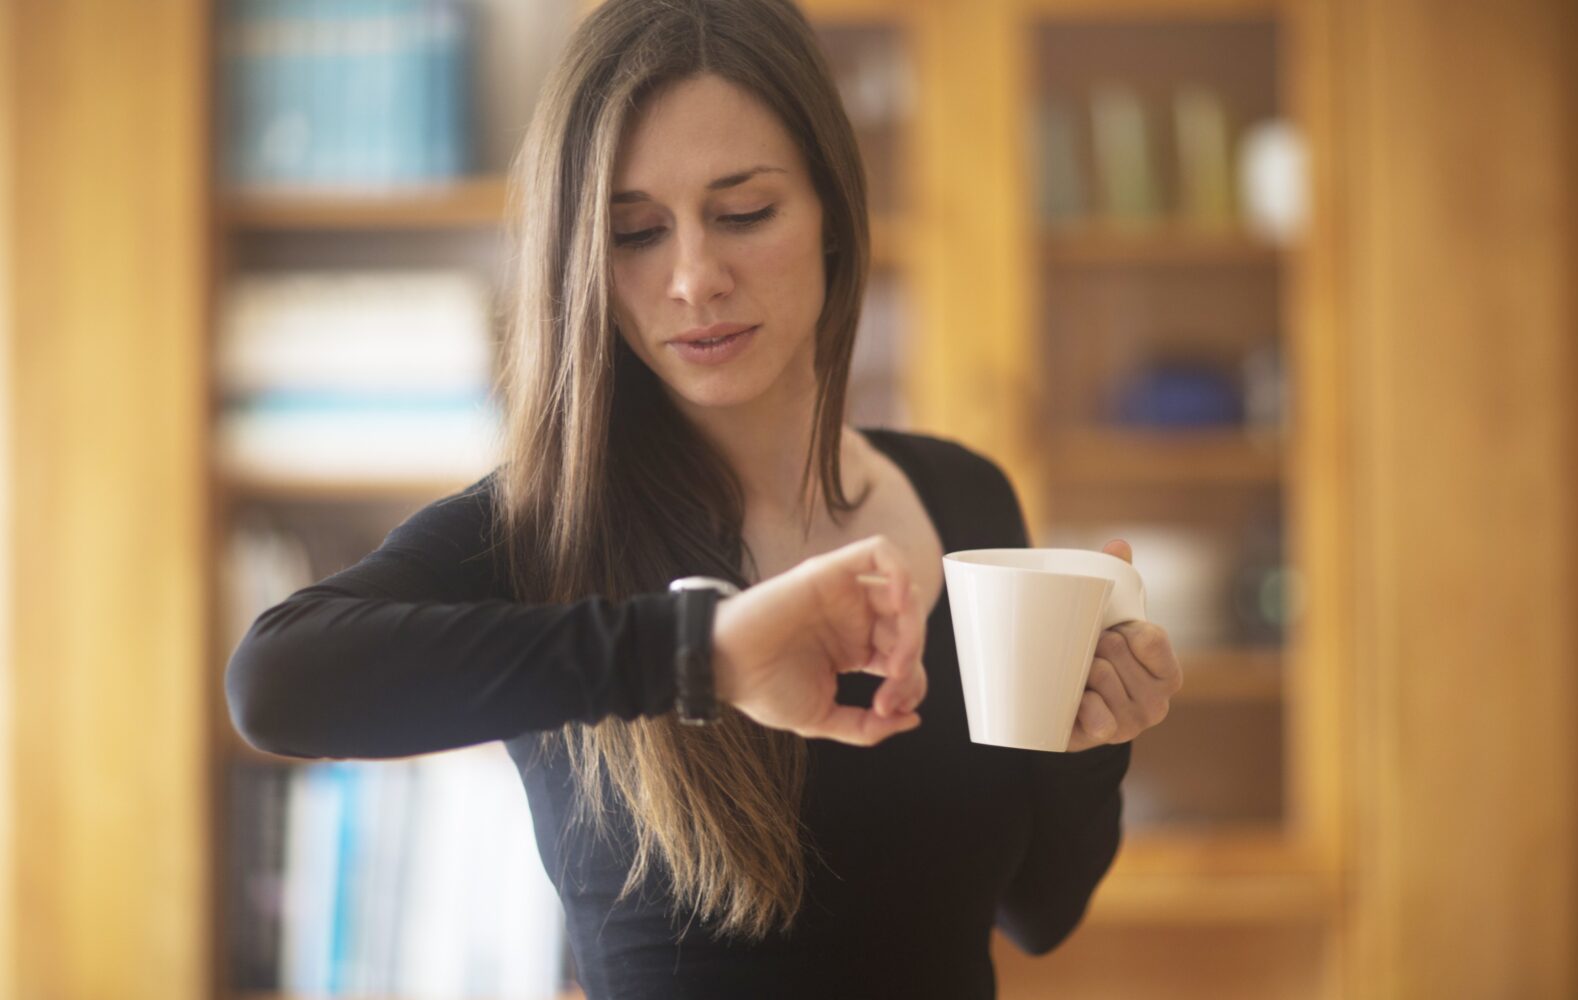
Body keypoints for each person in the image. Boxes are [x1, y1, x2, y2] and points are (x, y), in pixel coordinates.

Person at [224, 0, 1183, 996]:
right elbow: (276, 680)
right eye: (635, 231)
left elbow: (1038, 908)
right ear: (583, 260)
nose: (693, 278)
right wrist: (702, 653)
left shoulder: (964, 497)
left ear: (831, 217)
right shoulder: (541, 535)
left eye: (744, 213)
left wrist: (1094, 741)